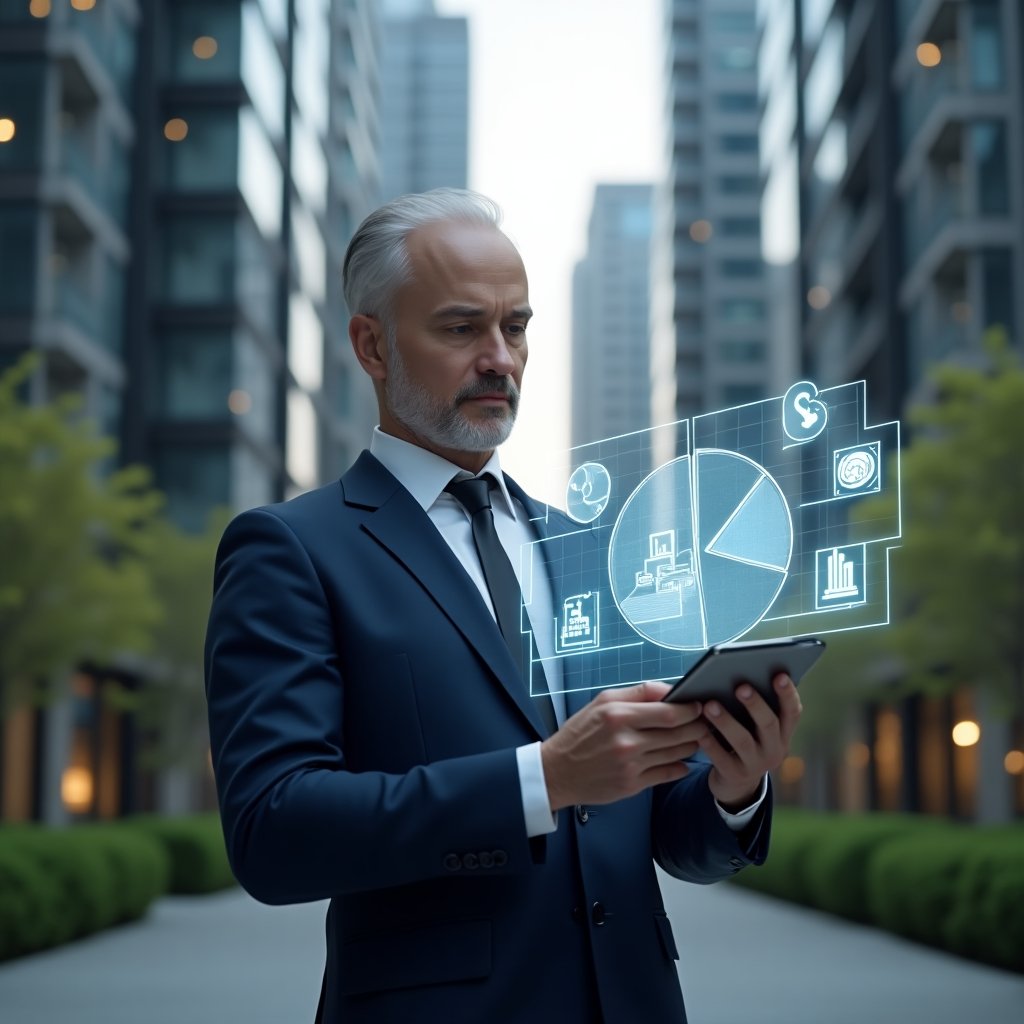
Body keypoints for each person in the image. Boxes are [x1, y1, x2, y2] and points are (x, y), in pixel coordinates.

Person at [204, 188, 802, 1024]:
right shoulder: (291, 550)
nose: (500, 359)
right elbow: (274, 833)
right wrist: (543, 778)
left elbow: (671, 834)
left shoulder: (595, 553)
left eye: (515, 328)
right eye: (461, 329)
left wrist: (734, 787)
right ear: (371, 345)